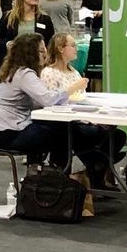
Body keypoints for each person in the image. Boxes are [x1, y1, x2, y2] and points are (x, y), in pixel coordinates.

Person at [0, 32, 78, 168]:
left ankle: (49, 174)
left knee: (59, 129)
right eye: (41, 51)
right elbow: (47, 99)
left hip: (0, 130)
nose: (45, 55)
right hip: (8, 133)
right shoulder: (24, 74)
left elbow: (38, 100)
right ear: (30, 53)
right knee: (62, 134)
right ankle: (57, 177)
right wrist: (70, 89)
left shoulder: (14, 70)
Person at [42, 32, 117, 188]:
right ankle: (96, 166)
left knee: (116, 135)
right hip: (65, 121)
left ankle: (96, 167)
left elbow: (81, 97)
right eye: (73, 45)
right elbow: (50, 102)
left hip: (83, 116)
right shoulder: (49, 73)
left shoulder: (74, 72)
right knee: (98, 136)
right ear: (61, 49)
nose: (77, 49)